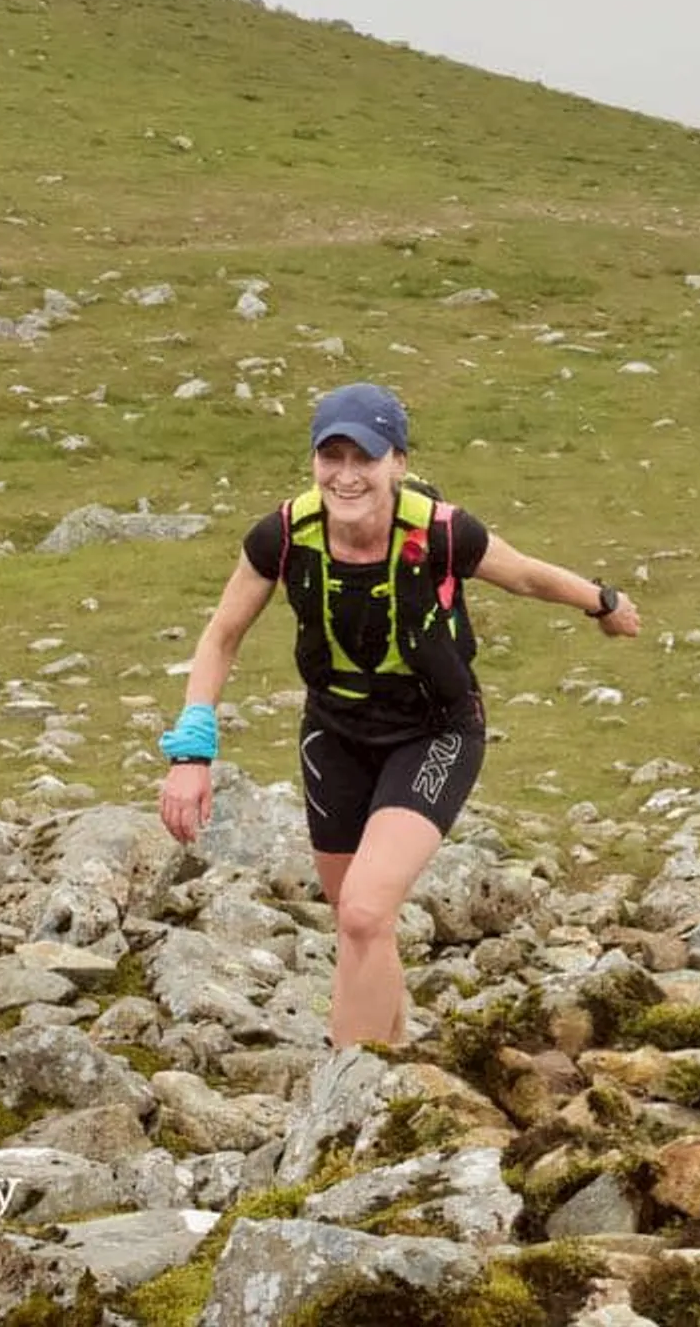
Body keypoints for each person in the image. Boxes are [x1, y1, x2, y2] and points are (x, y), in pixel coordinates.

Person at [156, 381, 641, 1049]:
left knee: (361, 909)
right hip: (336, 732)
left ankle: (346, 1088)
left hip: (435, 731)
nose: (347, 476)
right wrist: (191, 753)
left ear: (399, 463)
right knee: (358, 918)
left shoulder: (442, 533)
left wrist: (604, 602)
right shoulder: (284, 535)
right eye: (333, 457)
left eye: (366, 457)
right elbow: (220, 636)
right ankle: (394, 1066)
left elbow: (526, 575)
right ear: (315, 460)